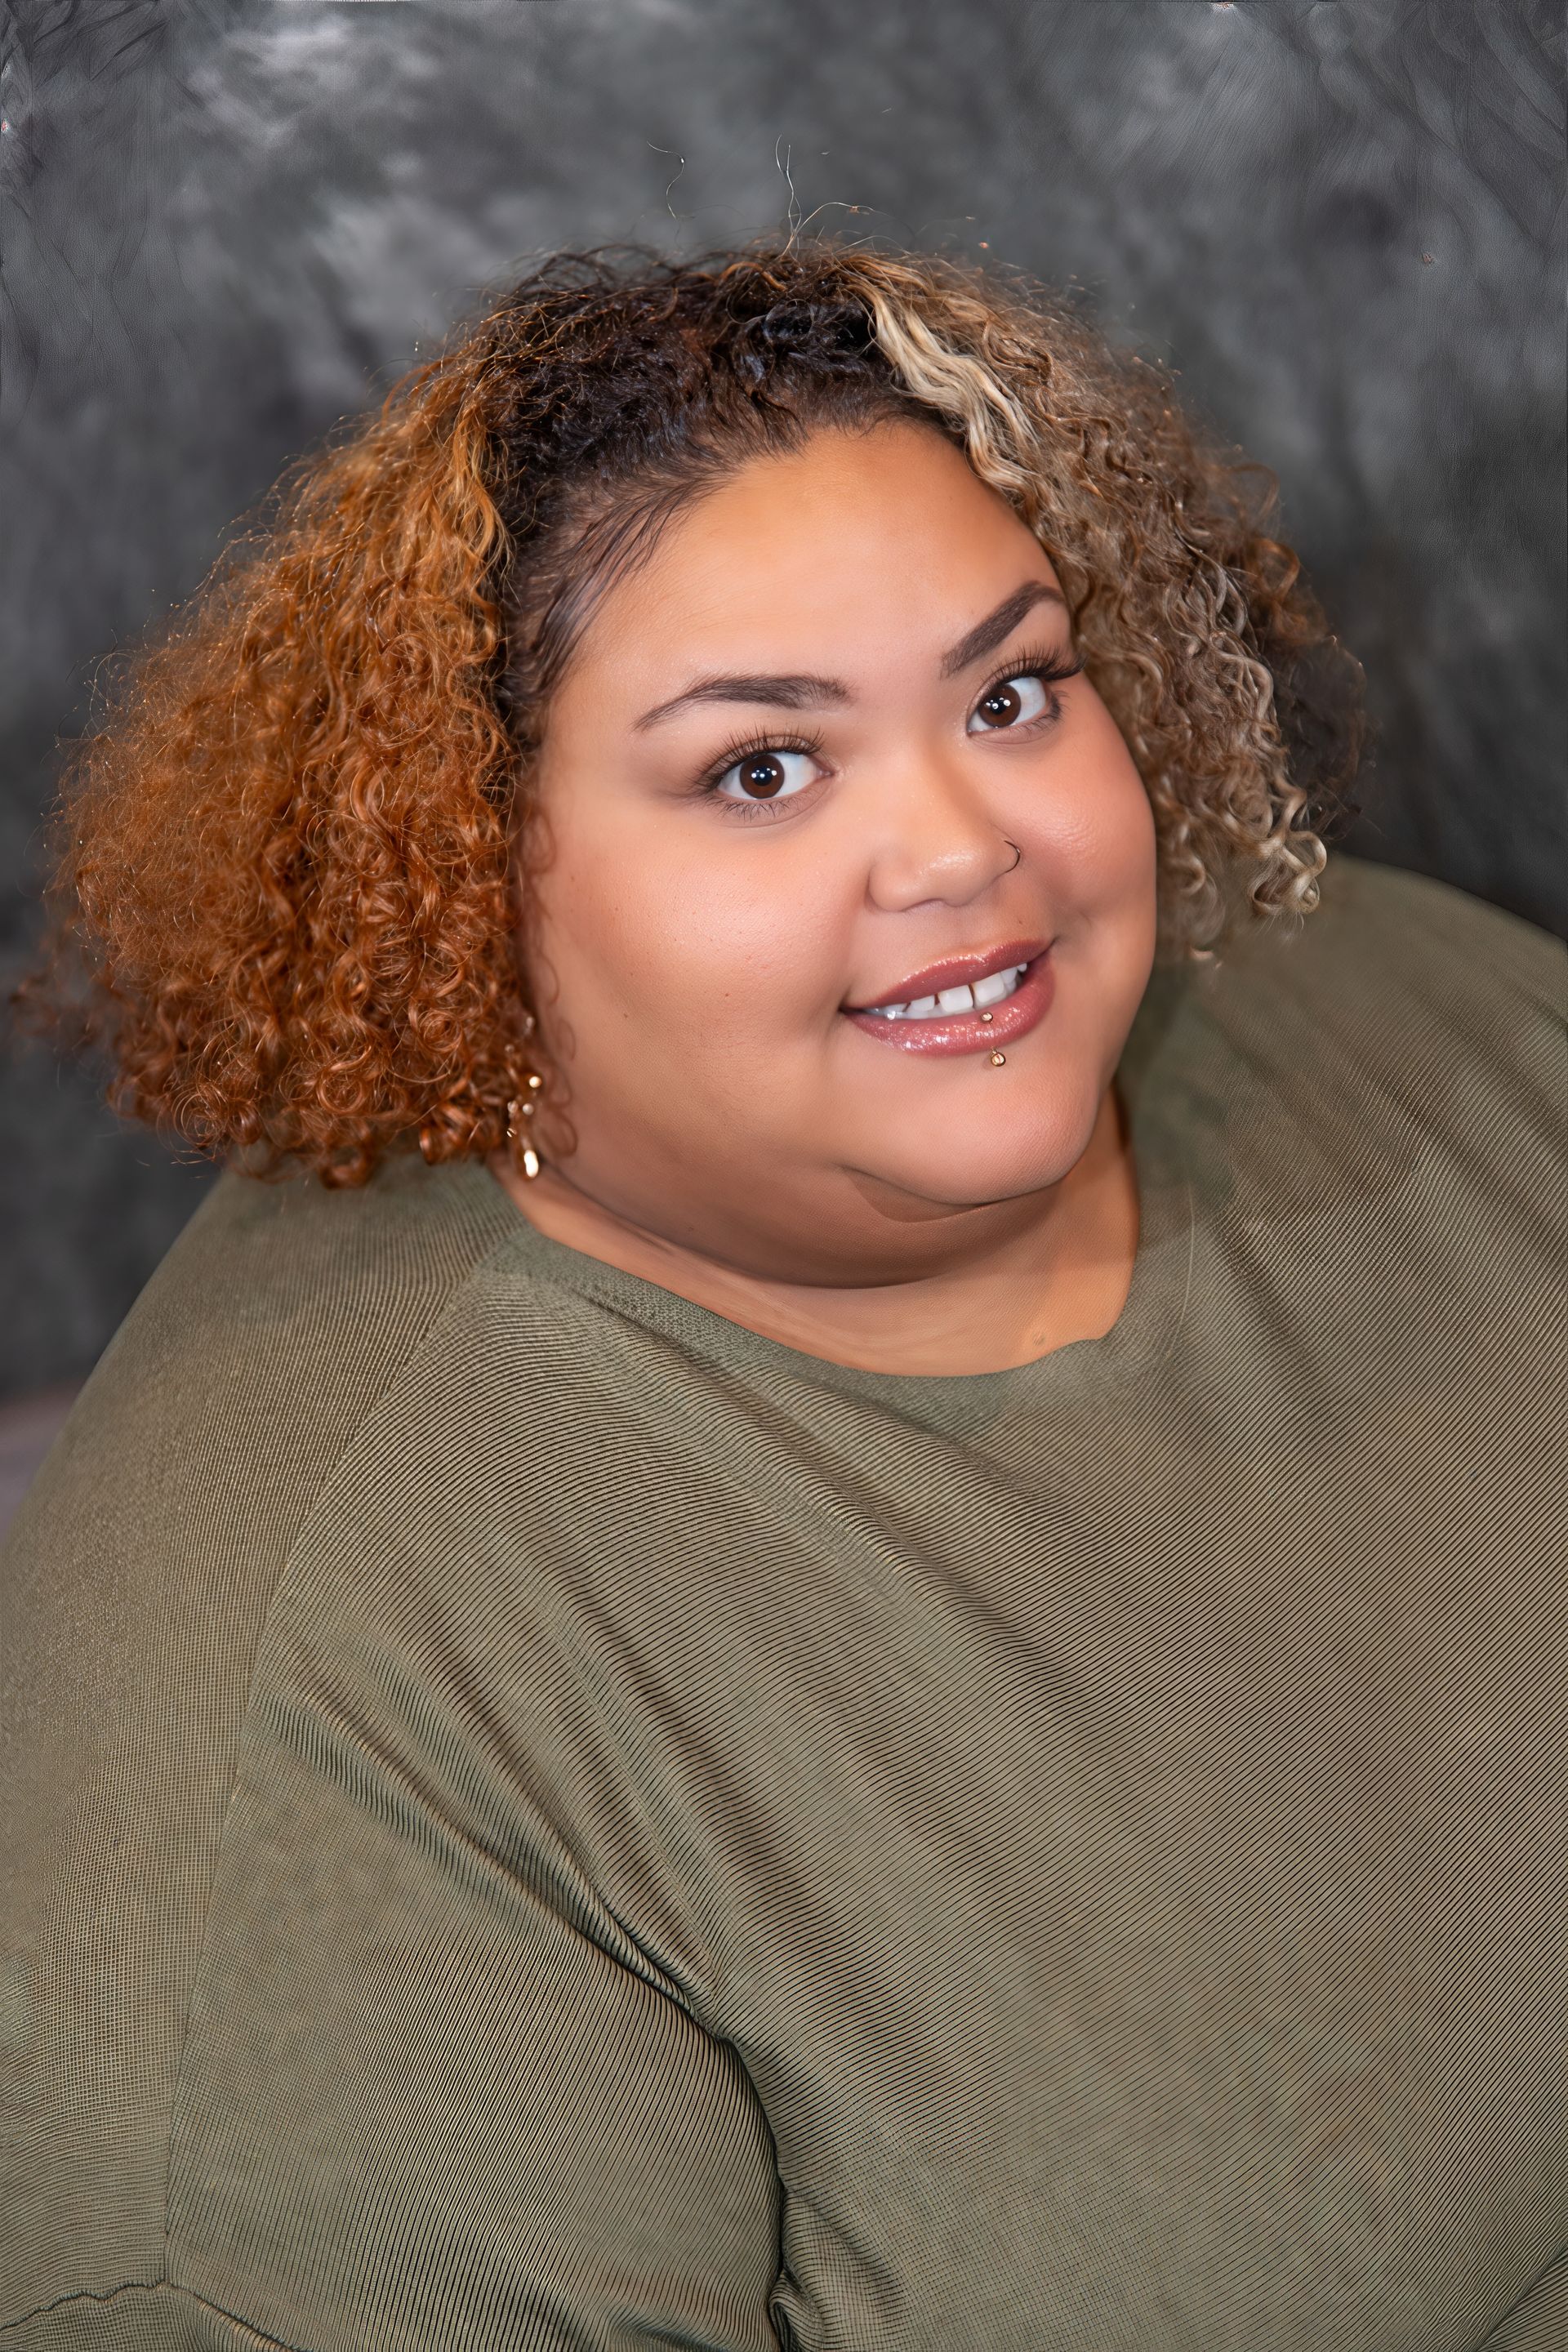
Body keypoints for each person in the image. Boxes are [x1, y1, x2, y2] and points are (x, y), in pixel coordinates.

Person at [2, 241, 1562, 2350]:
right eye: (762, 768)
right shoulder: (296, 1773)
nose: (956, 852)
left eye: (1013, 693)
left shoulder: (1408, 1019)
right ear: (466, 880)